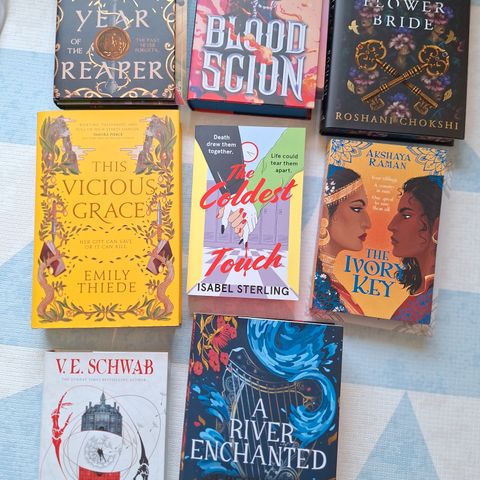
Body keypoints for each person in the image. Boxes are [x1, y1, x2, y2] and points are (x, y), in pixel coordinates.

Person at [312, 166, 371, 314]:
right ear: (324, 211)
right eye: (357, 209)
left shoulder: (330, 284)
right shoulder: (311, 288)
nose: (368, 223)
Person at [388, 176, 443, 324]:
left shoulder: (438, 300)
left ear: (437, 227)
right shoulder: (422, 293)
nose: (391, 225)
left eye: (406, 215)